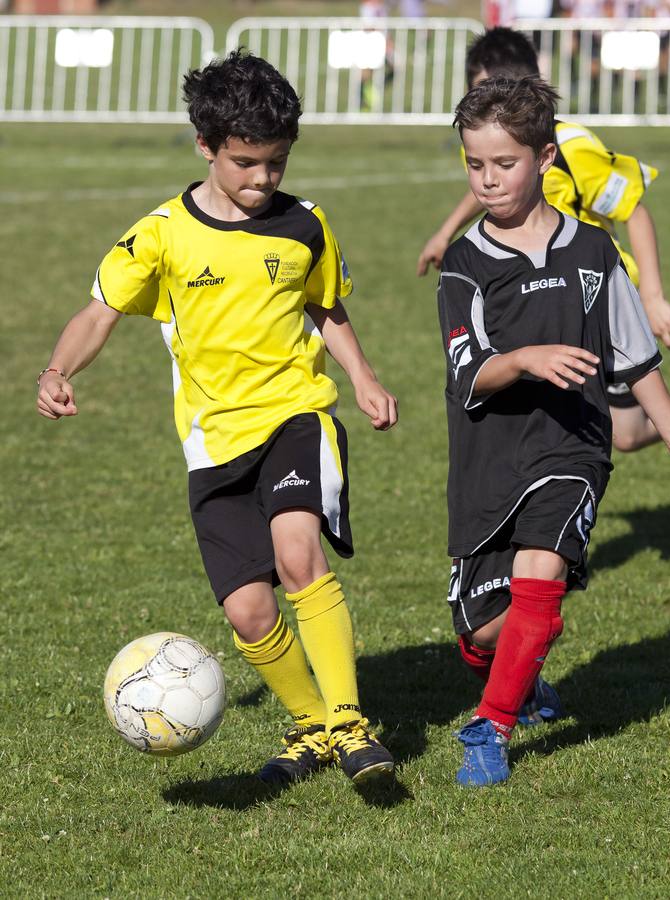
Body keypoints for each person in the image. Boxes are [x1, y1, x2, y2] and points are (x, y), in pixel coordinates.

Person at [36, 51, 398, 787]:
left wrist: (361, 375)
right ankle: (309, 730)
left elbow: (326, 305)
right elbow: (100, 311)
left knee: (299, 553)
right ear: (205, 145)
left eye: (276, 161)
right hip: (211, 443)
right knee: (248, 612)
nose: (263, 178)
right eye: (245, 162)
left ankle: (351, 726)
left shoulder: (305, 226)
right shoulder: (162, 234)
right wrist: (57, 369)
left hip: (295, 415)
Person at [437, 75, 670, 786]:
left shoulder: (593, 251)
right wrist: (525, 359)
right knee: (482, 631)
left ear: (545, 158)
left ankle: (490, 728)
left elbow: (634, 354)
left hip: (573, 445)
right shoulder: (465, 265)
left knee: (542, 573)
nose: (489, 180)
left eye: (504, 164)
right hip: (490, 454)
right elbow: (466, 370)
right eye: (476, 166)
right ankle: (520, 682)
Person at [418, 27, 670, 457]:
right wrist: (445, 232)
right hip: (539, 288)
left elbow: (633, 208)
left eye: (489, 91)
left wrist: (651, 296)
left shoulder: (573, 149)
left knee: (623, 433)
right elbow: (491, 187)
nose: (484, 109)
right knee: (572, 415)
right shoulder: (488, 142)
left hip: (597, 290)